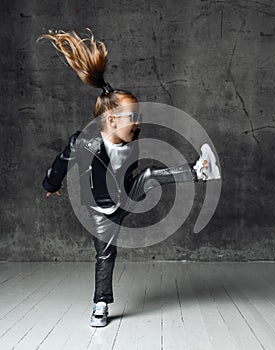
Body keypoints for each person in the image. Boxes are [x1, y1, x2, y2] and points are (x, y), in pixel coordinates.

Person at [39, 29, 221, 327]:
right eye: (132, 117)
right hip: (101, 213)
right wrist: (51, 183)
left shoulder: (130, 139)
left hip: (125, 196)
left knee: (149, 173)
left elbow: (133, 168)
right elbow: (61, 160)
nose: (137, 123)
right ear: (110, 120)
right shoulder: (84, 142)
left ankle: (200, 171)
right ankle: (100, 305)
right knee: (105, 256)